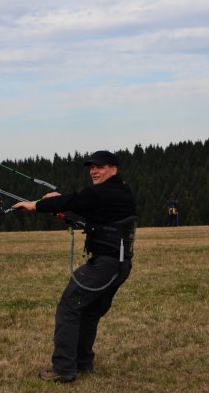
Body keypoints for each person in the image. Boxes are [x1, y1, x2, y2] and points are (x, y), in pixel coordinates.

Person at [13, 150, 137, 383]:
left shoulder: (104, 192)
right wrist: (57, 200)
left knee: (69, 306)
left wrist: (36, 205)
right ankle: (83, 363)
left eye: (99, 167)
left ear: (113, 169)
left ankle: (63, 368)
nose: (94, 171)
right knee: (89, 311)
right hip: (119, 265)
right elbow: (82, 203)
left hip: (105, 266)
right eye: (91, 167)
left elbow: (78, 201)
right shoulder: (120, 191)